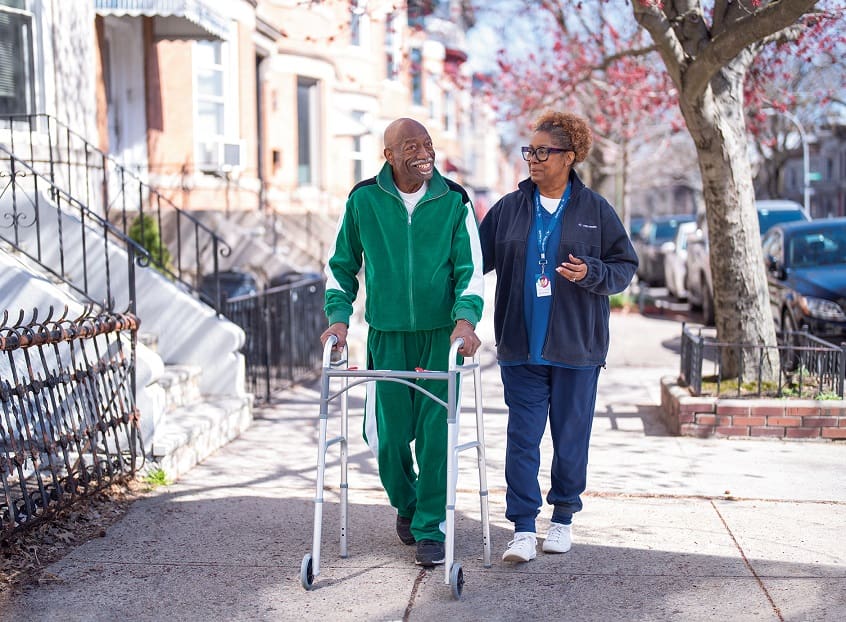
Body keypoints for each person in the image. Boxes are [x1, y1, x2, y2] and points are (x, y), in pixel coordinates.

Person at [321, 118, 484, 568]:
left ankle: (431, 526)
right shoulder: (364, 200)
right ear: (389, 155)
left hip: (440, 337)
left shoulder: (454, 201)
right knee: (388, 438)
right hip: (387, 335)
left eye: (427, 143)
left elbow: (471, 268)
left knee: (436, 435)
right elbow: (340, 267)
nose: (423, 152)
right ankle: (408, 504)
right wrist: (338, 320)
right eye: (411, 145)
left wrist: (466, 320)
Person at [478, 111, 637, 563]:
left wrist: (592, 273)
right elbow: (473, 262)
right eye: (530, 150)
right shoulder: (509, 209)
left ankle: (563, 517)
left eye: (543, 151)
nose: (533, 158)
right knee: (522, 438)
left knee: (570, 438)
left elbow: (625, 267)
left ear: (570, 157)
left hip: (576, 348)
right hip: (519, 346)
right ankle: (524, 528)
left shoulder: (596, 210)